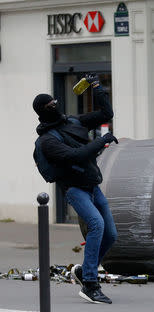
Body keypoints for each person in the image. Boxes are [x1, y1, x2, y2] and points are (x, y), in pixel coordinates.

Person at [32, 74, 118, 304]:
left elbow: (106, 114)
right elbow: (76, 155)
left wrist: (97, 88)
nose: (55, 106)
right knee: (96, 224)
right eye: (50, 105)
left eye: (55, 102)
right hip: (74, 189)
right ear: (42, 111)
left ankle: (83, 271)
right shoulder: (47, 141)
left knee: (111, 234)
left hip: (93, 186)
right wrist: (103, 140)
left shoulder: (73, 122)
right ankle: (90, 284)